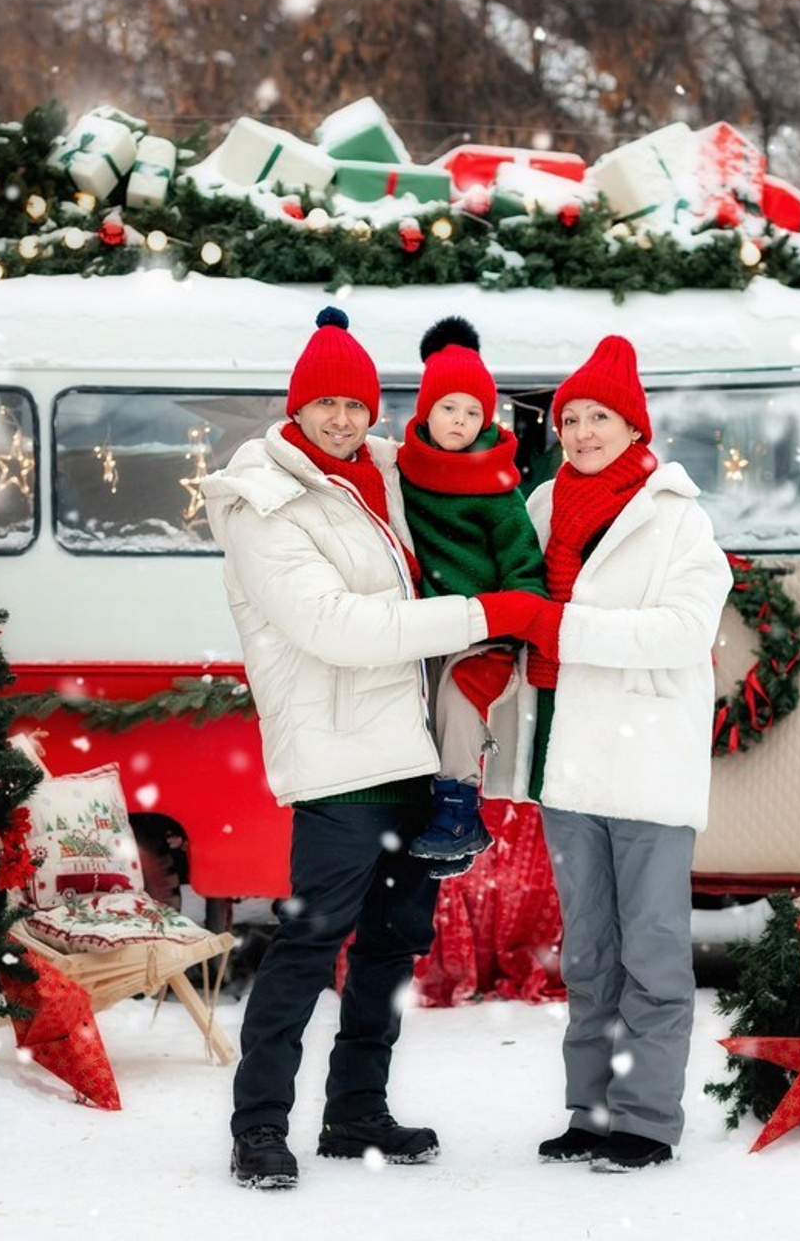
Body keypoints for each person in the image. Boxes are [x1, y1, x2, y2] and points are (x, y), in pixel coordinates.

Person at [201, 306, 560, 1190]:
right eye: (324, 403)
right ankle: (259, 1126)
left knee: (393, 945)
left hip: (412, 751)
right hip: (340, 761)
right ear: (296, 407)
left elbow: (467, 471)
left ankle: (357, 1109)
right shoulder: (266, 501)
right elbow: (338, 626)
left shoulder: (383, 476)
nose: (341, 418)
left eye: (355, 404)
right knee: (309, 943)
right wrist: (487, 613)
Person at [483, 334, 732, 1173]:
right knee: (589, 953)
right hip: (569, 765)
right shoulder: (543, 506)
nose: (583, 432)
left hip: (647, 766)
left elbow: (684, 632)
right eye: (572, 419)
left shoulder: (678, 517)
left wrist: (563, 630)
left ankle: (647, 1120)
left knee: (653, 953)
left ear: (633, 428)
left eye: (600, 417)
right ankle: (590, 1112)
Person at [397, 316, 547, 880]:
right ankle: (443, 823)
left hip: (485, 634)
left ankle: (460, 810)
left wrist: (512, 612)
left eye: (472, 411)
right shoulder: (402, 472)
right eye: (448, 408)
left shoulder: (496, 485)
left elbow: (524, 565)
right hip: (425, 630)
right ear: (425, 412)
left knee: (459, 700)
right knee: (424, 713)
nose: (460, 421)